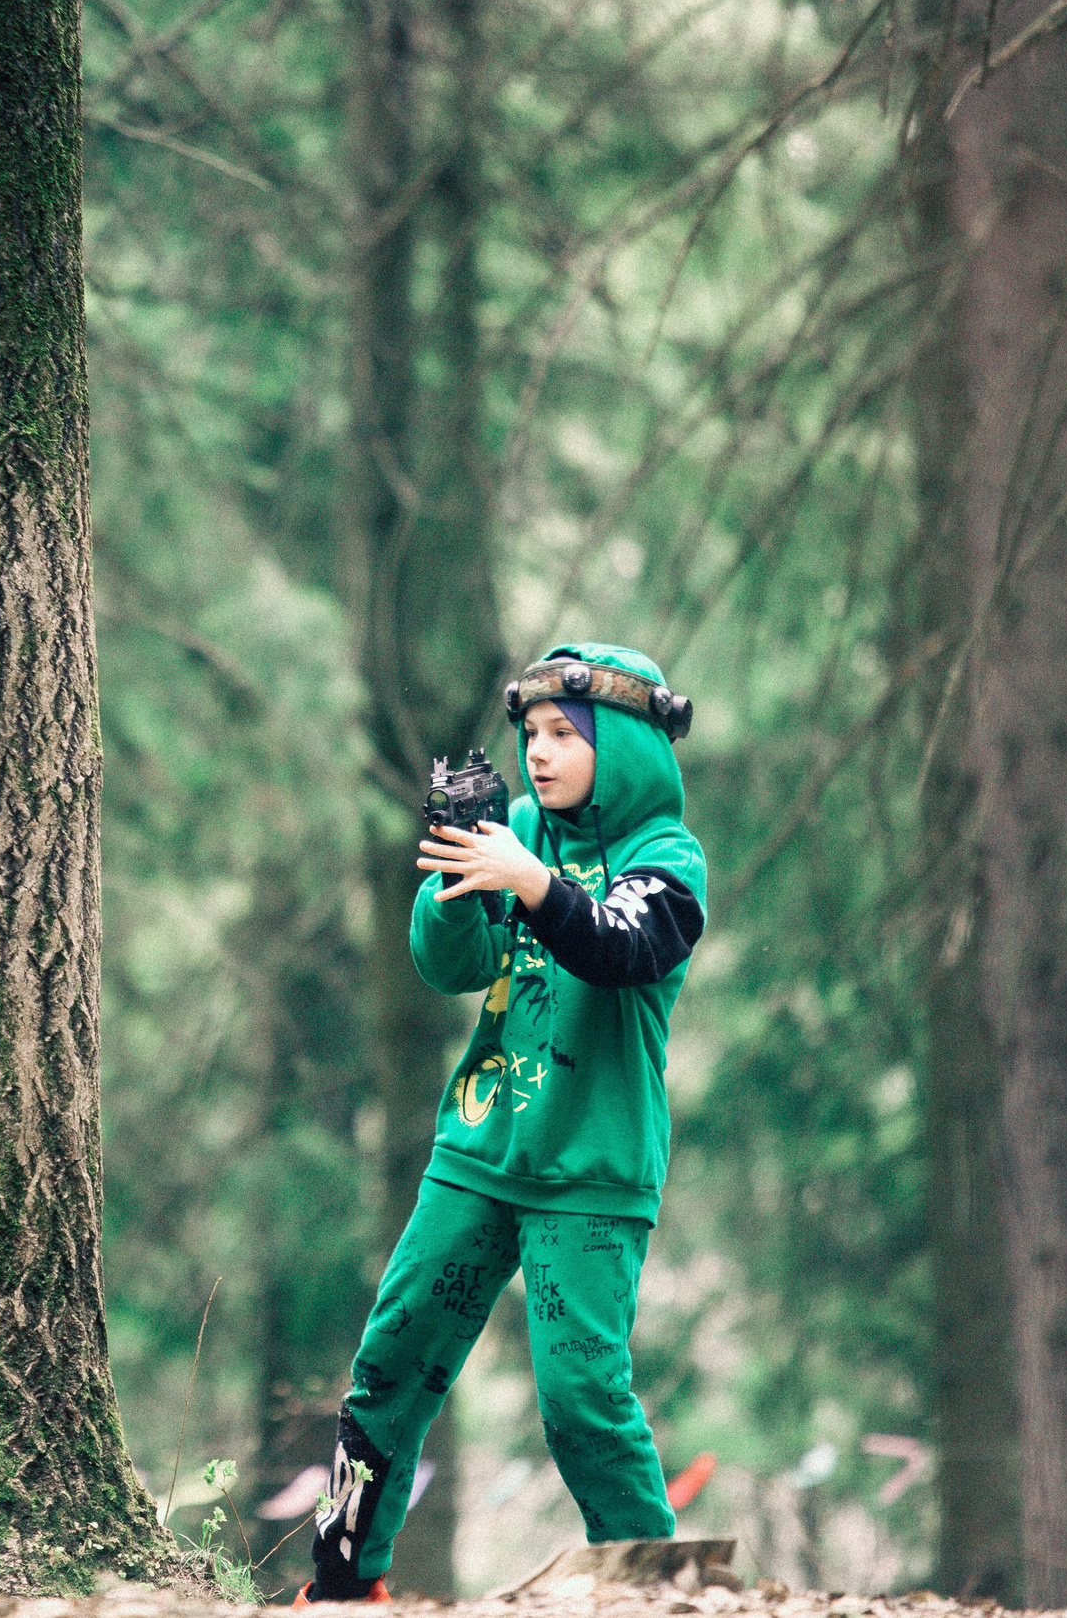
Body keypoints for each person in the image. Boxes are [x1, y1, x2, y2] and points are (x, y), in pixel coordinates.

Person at [298, 643, 708, 1606]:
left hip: (593, 1176)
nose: (540, 753)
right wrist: (455, 879)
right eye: (530, 734)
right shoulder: (518, 831)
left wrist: (525, 877)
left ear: (632, 746)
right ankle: (344, 1585)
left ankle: (659, 1593)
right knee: (391, 1360)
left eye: (565, 734)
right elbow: (449, 964)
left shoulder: (667, 859)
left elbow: (622, 946)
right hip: (477, 1157)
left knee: (582, 1400)